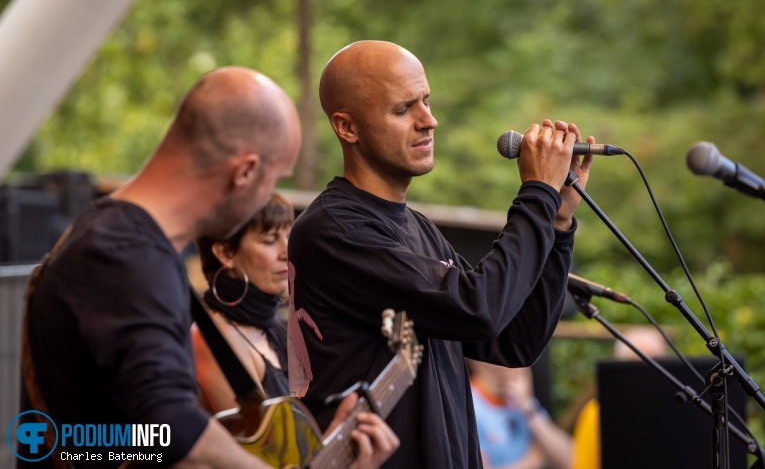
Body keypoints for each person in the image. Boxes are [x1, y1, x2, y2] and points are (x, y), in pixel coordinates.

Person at [20, 66, 397, 469]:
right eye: (272, 179)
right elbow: (171, 426)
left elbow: (135, 440)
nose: (266, 199)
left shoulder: (114, 238)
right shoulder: (127, 253)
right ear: (245, 172)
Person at [286, 40, 594, 468]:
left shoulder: (419, 229)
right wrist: (536, 193)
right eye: (403, 109)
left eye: (426, 102)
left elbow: (513, 343)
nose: (428, 121)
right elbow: (478, 307)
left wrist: (557, 223)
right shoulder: (335, 229)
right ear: (347, 127)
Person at [192, 192, 294, 411]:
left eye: (289, 237)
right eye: (270, 240)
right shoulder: (214, 340)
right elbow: (264, 443)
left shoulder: (271, 327)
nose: (287, 252)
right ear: (226, 253)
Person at [569, 325, 669, 469]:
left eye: (658, 362)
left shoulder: (676, 408)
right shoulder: (597, 412)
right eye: (639, 363)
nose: (651, 371)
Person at [468, 360, 572, 469]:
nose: (525, 366)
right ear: (488, 363)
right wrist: (532, 460)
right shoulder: (468, 406)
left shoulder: (521, 401)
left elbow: (570, 460)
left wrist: (528, 408)